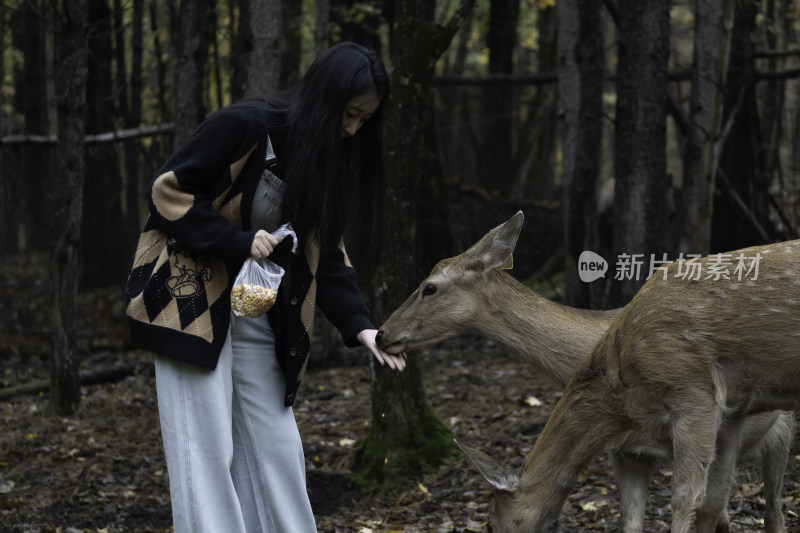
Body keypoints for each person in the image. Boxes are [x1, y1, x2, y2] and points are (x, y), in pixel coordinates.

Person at [124, 42, 406, 533]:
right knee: (204, 446)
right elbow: (169, 191)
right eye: (350, 113)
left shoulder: (331, 161)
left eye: (365, 119)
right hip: (188, 301)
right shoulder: (248, 125)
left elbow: (327, 256)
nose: (354, 127)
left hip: (256, 306)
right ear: (325, 95)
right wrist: (235, 240)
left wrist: (362, 328)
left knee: (276, 443)